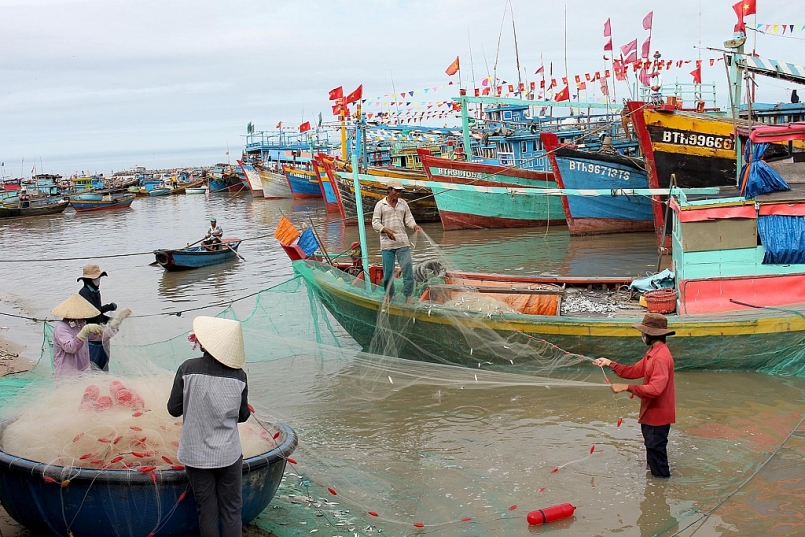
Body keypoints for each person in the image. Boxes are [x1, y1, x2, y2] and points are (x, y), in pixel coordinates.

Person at [167, 316, 250, 537]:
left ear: (204, 344)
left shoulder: (187, 369)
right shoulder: (239, 376)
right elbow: (242, 416)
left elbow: (174, 409)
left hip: (196, 455)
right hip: (229, 454)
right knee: (232, 510)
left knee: (206, 511)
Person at [593, 313, 676, 478]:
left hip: (658, 416)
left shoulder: (660, 357)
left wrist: (627, 387)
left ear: (651, 334)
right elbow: (632, 371)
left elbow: (656, 389)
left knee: (658, 460)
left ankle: (662, 488)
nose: (642, 335)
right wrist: (610, 363)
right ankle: (655, 488)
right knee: (652, 451)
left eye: (643, 332)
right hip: (651, 413)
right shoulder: (653, 352)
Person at [371, 178, 422, 303]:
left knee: (408, 270)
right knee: (388, 273)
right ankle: (389, 295)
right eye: (396, 190)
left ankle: (408, 296)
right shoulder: (380, 205)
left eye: (400, 191)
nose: (399, 193)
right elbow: (375, 223)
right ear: (389, 190)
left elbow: (408, 219)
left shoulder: (403, 204)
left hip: (402, 242)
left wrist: (414, 226)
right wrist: (385, 230)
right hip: (387, 244)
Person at [77, 264, 118, 370]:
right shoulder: (84, 292)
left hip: (99, 334)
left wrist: (109, 320)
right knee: (91, 368)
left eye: (99, 278)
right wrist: (109, 307)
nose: (98, 281)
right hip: (90, 336)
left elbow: (98, 314)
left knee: (103, 367)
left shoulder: (96, 292)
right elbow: (93, 312)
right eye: (95, 278)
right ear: (88, 280)